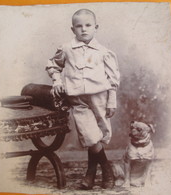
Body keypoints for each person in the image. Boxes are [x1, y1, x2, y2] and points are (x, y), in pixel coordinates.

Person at [45, 9, 120, 190]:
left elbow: (112, 79)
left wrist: (112, 100)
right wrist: (57, 81)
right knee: (90, 136)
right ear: (73, 29)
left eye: (88, 25)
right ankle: (107, 169)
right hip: (77, 99)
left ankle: (90, 174)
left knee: (100, 135)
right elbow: (53, 65)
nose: (83, 30)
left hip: (100, 97)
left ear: (96, 27)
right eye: (79, 26)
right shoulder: (66, 49)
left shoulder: (104, 52)